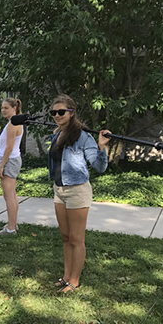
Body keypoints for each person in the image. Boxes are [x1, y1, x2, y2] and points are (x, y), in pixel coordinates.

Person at [48, 95, 111, 294]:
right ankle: (66, 277)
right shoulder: (57, 134)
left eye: (61, 112)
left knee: (76, 239)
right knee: (66, 237)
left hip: (77, 191)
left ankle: (74, 281)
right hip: (59, 189)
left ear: (71, 112)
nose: (57, 115)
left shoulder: (84, 137)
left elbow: (99, 166)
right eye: (54, 112)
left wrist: (101, 146)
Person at [0, 97, 24, 235]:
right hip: (12, 159)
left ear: (14, 108)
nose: (3, 111)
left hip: (10, 160)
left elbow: (9, 147)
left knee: (9, 195)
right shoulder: (13, 122)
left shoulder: (13, 124)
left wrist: (2, 165)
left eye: (6, 108)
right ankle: (13, 223)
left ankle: (11, 228)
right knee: (11, 194)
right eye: (2, 108)